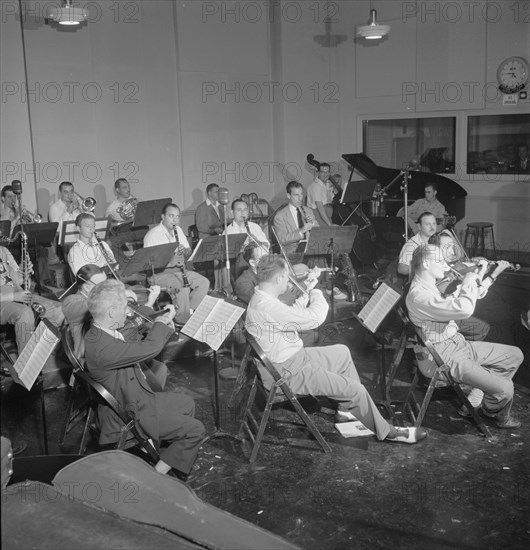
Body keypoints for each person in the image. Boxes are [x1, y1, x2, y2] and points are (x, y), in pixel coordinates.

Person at [245, 254, 428, 444]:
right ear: (279, 278)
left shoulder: (261, 298)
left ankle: (346, 411)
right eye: (287, 277)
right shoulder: (267, 307)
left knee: (342, 352)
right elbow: (315, 318)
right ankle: (389, 432)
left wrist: (306, 289)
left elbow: (290, 316)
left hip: (291, 359)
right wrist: (316, 291)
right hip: (288, 372)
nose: (289, 281)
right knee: (356, 389)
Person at [85, 279, 205, 480]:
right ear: (112, 311)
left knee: (186, 404)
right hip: (129, 413)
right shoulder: (103, 349)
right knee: (196, 430)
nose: (128, 312)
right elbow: (150, 348)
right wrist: (160, 323)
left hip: (135, 398)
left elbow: (132, 332)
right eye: (125, 307)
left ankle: (171, 456)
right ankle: (156, 476)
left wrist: (158, 319)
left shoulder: (100, 331)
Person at [406, 244, 522, 428]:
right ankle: (493, 410)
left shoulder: (431, 285)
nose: (446, 265)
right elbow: (465, 308)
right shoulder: (419, 295)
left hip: (457, 344)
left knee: (514, 355)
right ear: (426, 264)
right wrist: (469, 278)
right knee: (506, 389)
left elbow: (470, 295)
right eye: (440, 261)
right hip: (440, 357)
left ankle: (482, 403)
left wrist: (483, 275)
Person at [143, 203, 209, 324]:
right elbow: (148, 264)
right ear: (163, 217)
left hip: (178, 271)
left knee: (204, 282)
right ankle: (182, 321)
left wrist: (186, 251)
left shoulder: (178, 230)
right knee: (182, 286)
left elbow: (188, 251)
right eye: (171, 216)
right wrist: (170, 262)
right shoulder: (152, 235)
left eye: (177, 217)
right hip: (158, 274)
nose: (175, 220)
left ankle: (188, 313)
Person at [428, 230, 490, 342]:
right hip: (442, 319)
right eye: (447, 248)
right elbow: (477, 292)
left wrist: (477, 267)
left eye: (453, 247)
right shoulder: (438, 272)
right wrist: (483, 269)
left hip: (446, 313)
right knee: (483, 328)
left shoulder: (451, 267)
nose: (452, 252)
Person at [0, 245, 64, 354]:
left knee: (60, 309)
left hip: (17, 293)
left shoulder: (3, 250)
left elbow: (17, 279)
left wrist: (23, 272)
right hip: (4, 300)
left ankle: (38, 352)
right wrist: (14, 297)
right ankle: (26, 366)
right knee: (25, 313)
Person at [224, 198, 269, 277]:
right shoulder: (228, 231)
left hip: (260, 261)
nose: (242, 213)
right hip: (241, 265)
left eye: (245, 210)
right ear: (232, 213)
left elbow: (266, 245)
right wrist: (244, 247)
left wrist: (257, 241)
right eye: (239, 210)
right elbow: (227, 255)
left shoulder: (255, 226)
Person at [273, 181, 317, 257]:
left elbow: (319, 233)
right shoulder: (280, 216)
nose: (300, 198)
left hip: (311, 250)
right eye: (296, 195)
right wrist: (301, 231)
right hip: (291, 253)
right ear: (288, 196)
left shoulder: (308, 211)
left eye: (301, 194)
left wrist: (312, 225)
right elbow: (282, 239)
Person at [397, 211, 437, 278]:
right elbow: (402, 269)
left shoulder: (435, 241)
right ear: (419, 226)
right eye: (428, 224)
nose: (432, 227)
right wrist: (424, 269)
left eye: (434, 223)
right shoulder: (411, 245)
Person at [307, 162, 335, 227]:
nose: (326, 174)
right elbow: (320, 208)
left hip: (327, 214)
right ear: (318, 173)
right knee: (326, 234)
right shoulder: (316, 186)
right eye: (323, 172)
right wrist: (329, 224)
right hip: (318, 214)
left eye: (327, 172)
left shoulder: (327, 183)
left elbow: (330, 199)